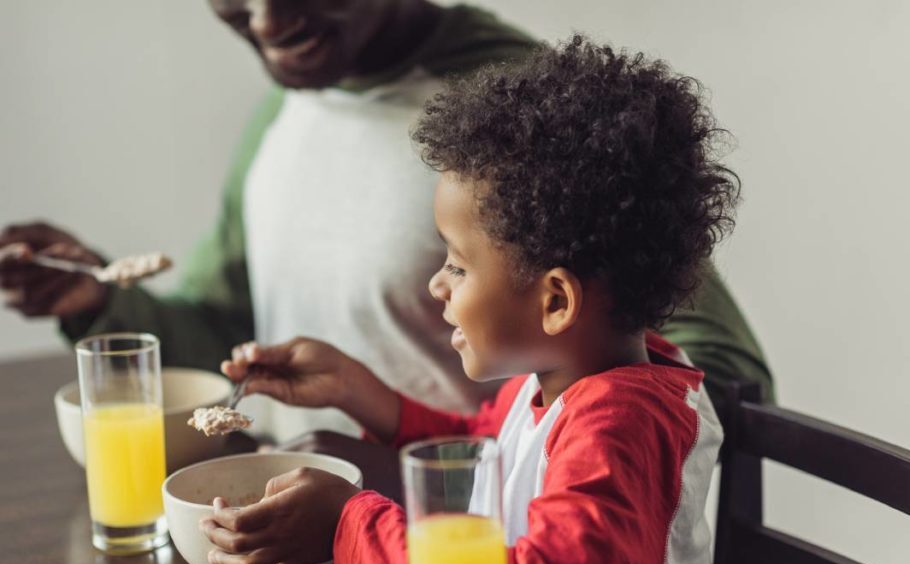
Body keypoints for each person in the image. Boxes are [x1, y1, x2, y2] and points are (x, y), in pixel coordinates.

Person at [0, 1, 773, 444]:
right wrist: (98, 302)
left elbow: (716, 372)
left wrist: (503, 479)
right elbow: (227, 335)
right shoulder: (289, 106)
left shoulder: (525, 121)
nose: (266, 18)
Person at [201, 36, 731, 564]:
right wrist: (357, 389)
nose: (438, 284)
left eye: (457, 263)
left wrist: (345, 528)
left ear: (556, 302)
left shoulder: (619, 428)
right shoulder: (563, 380)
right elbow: (485, 448)